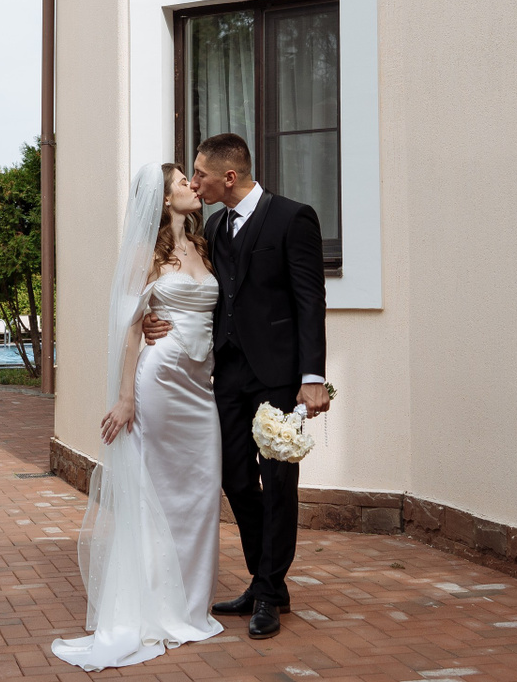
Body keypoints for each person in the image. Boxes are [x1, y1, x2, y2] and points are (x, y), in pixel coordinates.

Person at [142, 132, 329, 642]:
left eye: (200, 174)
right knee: (235, 478)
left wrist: (312, 378)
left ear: (228, 176)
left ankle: (268, 590)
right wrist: (150, 319)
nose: (195, 183)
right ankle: (264, 579)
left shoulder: (293, 218)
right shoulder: (215, 227)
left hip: (278, 376)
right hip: (224, 375)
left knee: (279, 482)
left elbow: (310, 300)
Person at [50, 165, 225, 671]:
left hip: (202, 388)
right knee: (159, 493)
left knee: (201, 490)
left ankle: (190, 606)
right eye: (184, 182)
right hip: (160, 381)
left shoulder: (205, 244)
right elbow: (130, 328)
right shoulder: (144, 254)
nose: (194, 186)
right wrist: (125, 397)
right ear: (165, 199)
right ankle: (155, 604)